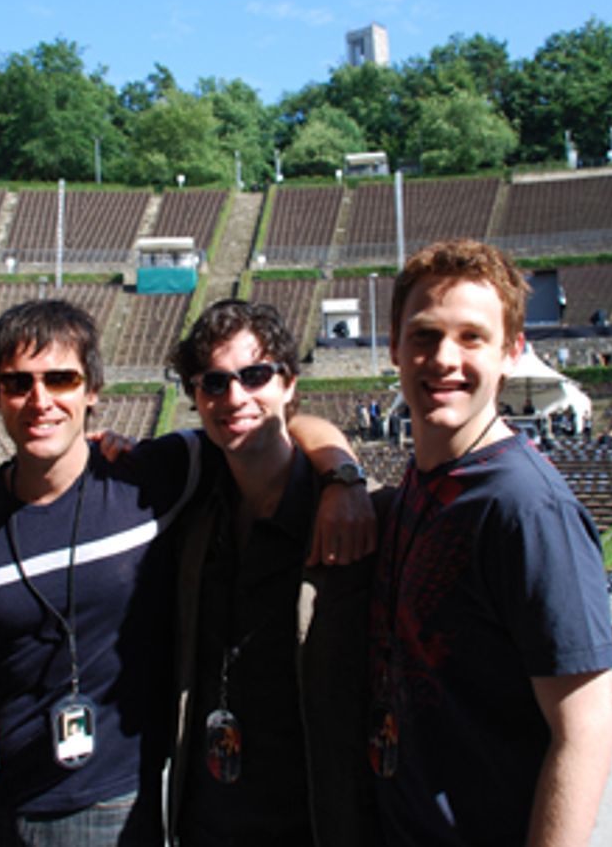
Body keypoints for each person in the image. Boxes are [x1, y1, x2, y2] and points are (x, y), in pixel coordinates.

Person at [0, 299, 372, 847]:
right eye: (17, 383)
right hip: (7, 807)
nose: (40, 400)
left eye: (61, 378)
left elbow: (289, 429)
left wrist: (344, 477)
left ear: (92, 389)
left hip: (123, 806)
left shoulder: (151, 479)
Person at [371, 240, 612, 847]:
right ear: (395, 347)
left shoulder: (527, 508)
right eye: (424, 336)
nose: (442, 359)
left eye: (471, 338)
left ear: (511, 352)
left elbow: (584, 729)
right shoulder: (422, 480)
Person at [168, 300, 376, 847]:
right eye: (213, 382)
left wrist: (343, 477)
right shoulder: (191, 505)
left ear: (288, 384)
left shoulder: (357, 517)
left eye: (254, 375)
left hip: (314, 822)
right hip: (208, 823)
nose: (234, 397)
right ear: (195, 397)